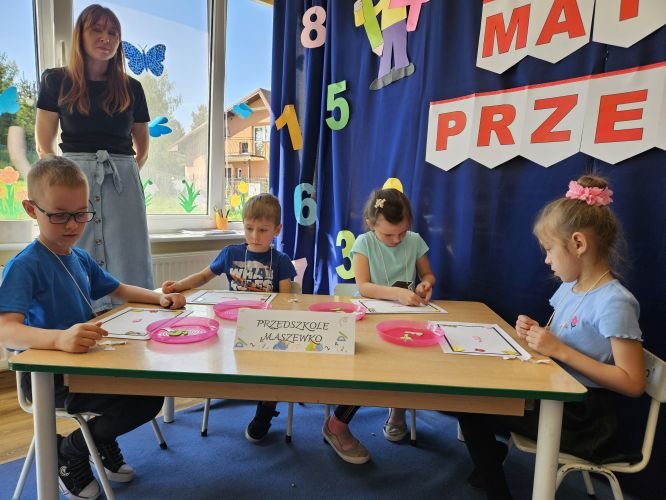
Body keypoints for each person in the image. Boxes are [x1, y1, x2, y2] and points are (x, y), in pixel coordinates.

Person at [0, 156, 186, 500]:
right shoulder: (24, 266)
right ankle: (69, 451)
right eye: (59, 215)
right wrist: (59, 339)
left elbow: (119, 289)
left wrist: (159, 297)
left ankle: (97, 440)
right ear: (31, 209)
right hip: (48, 378)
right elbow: (6, 331)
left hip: (88, 363)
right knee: (141, 402)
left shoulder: (80, 257)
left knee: (150, 388)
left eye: (81, 213)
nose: (73, 225)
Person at [457, 175, 645, 500]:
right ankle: (489, 463)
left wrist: (558, 349)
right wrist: (536, 334)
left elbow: (633, 383)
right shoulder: (570, 287)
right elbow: (561, 339)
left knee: (471, 403)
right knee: (471, 394)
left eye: (549, 250)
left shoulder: (615, 302)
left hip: (583, 417)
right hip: (554, 394)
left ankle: (495, 485)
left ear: (578, 244)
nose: (546, 260)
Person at [35, 4, 152, 313]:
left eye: (113, 32)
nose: (105, 38)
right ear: (81, 35)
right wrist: (60, 183)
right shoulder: (56, 81)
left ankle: (134, 327)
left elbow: (142, 146)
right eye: (97, 30)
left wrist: (127, 176)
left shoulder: (132, 88)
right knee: (72, 248)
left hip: (121, 180)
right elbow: (44, 144)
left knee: (128, 253)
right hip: (73, 179)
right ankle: (73, 323)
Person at [162, 192, 297, 442]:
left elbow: (285, 300)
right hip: (229, 327)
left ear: (276, 230)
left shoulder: (280, 261)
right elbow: (203, 276)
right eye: (249, 228)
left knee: (273, 370)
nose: (255, 236)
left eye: (263, 230)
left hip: (264, 330)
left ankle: (265, 411)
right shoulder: (230, 253)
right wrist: (179, 285)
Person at [324, 187, 436, 464]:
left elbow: (428, 274)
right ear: (370, 224)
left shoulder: (415, 241)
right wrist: (397, 293)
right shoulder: (364, 243)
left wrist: (426, 284)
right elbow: (363, 286)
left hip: (405, 318)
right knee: (368, 368)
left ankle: (397, 411)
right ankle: (337, 424)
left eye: (402, 233)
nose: (397, 240)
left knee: (407, 363)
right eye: (388, 235)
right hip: (371, 317)